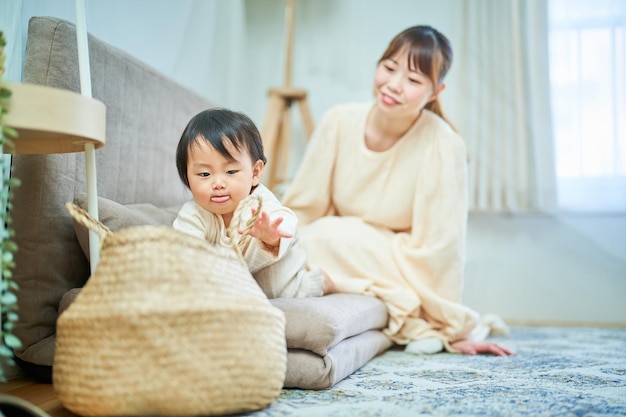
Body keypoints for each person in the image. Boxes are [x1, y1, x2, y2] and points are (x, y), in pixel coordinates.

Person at [282, 25, 514, 356]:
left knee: (323, 237)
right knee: (310, 238)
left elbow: (441, 246)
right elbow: (304, 208)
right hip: (336, 241)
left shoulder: (445, 144)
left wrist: (452, 327)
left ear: (435, 92)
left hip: (403, 260)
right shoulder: (337, 121)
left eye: (414, 80)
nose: (394, 85)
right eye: (389, 68)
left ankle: (414, 314)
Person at [173, 108, 336, 298]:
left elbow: (285, 221)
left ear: (255, 173)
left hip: (278, 274)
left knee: (286, 291)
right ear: (187, 178)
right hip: (234, 282)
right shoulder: (193, 214)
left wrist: (271, 238)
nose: (218, 184)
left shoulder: (259, 204)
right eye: (204, 174)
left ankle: (322, 280)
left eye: (231, 171)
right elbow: (184, 250)